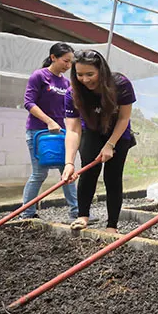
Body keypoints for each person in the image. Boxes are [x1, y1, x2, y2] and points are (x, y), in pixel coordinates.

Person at [62, 49, 136, 234]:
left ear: (101, 71)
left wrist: (110, 145)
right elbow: (72, 129)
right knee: (88, 171)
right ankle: (82, 217)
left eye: (90, 74)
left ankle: (112, 225)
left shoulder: (120, 84)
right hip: (92, 132)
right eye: (79, 74)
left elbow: (124, 118)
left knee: (113, 177)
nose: (85, 80)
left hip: (118, 134)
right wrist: (69, 162)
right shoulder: (72, 93)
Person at [21, 43, 78, 220]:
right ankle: (27, 213)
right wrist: (49, 121)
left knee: (67, 171)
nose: (68, 66)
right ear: (53, 57)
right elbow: (29, 103)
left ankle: (76, 212)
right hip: (39, 133)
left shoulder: (66, 82)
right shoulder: (39, 76)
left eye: (71, 62)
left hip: (60, 133)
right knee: (39, 173)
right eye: (65, 61)